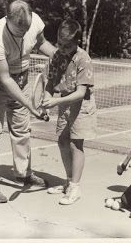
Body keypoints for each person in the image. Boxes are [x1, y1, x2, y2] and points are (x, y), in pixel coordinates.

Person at [0, 0, 57, 203]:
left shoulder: (35, 22)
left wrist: (62, 57)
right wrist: (30, 105)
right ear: (7, 19)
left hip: (21, 77)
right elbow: (5, 80)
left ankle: (23, 173)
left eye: (26, 29)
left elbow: (41, 43)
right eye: (18, 31)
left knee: (22, 130)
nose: (23, 34)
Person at [42, 19, 97, 205]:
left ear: (77, 42)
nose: (62, 48)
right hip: (64, 103)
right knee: (63, 141)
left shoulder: (84, 59)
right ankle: (68, 182)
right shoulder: (56, 56)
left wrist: (55, 100)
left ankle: (75, 187)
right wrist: (46, 99)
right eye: (59, 43)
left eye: (67, 45)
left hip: (81, 106)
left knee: (75, 145)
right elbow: (50, 82)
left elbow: (81, 93)